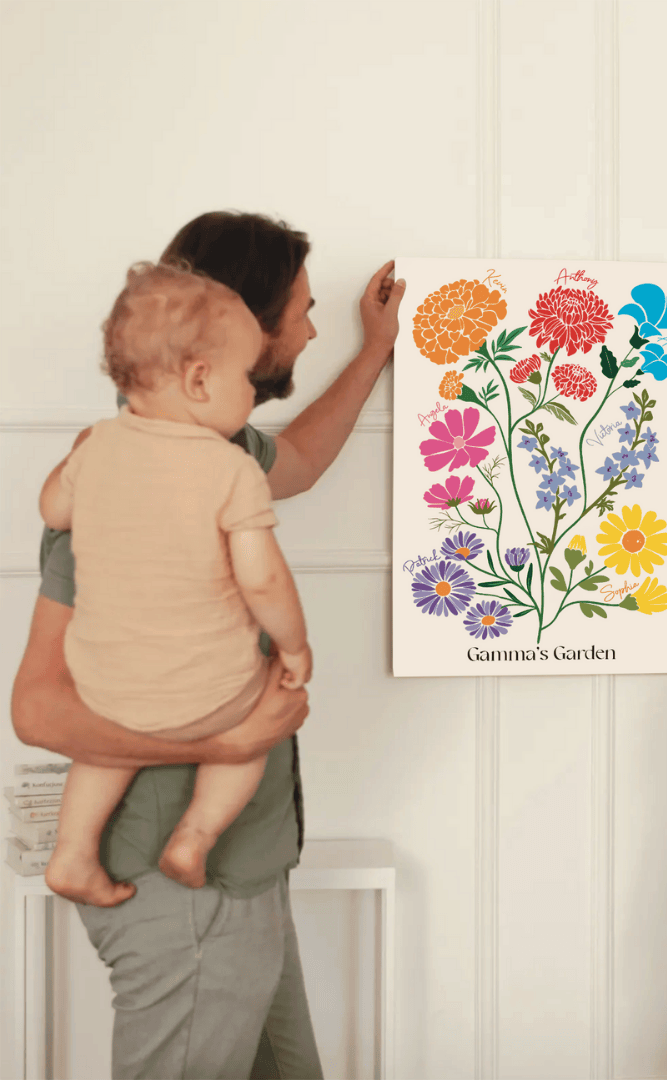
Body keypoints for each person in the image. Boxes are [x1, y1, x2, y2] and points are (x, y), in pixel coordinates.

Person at [11, 211, 404, 1080]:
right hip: (177, 892)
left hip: (242, 874)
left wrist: (375, 349)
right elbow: (36, 709)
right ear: (232, 340)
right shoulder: (121, 488)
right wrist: (219, 742)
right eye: (300, 311)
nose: (310, 325)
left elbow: (299, 457)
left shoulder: (217, 453)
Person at [41, 263, 313, 908]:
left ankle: (73, 853)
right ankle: (194, 835)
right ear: (198, 380)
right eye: (248, 377)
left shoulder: (97, 446)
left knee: (104, 751)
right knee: (257, 718)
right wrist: (295, 648)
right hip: (205, 693)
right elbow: (264, 580)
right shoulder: (229, 469)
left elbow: (53, 510)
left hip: (105, 686)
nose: (253, 393)